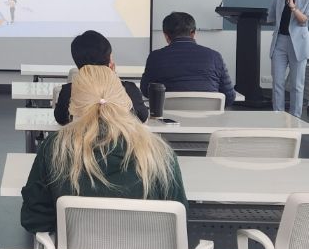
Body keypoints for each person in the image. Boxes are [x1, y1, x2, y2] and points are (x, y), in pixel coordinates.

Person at [21, 65, 187, 233]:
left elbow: (33, 218)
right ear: (125, 101)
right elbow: (179, 218)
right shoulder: (158, 152)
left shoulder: (56, 148)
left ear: (73, 105)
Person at [140, 12, 236, 106]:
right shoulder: (215, 57)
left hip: (169, 115)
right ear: (193, 33)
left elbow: (146, 91)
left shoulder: (155, 57)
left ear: (166, 36)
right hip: (210, 116)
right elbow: (229, 97)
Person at [54, 30, 148, 125]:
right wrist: (114, 79)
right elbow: (142, 117)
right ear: (110, 61)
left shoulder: (69, 92)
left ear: (77, 63)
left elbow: (61, 119)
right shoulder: (128, 90)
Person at [268, 0, 309, 117]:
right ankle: (278, 117)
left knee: (296, 85)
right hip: (279, 42)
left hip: (298, 44)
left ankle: (295, 118)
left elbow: (304, 21)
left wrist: (293, 7)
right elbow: (272, 17)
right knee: (277, 83)